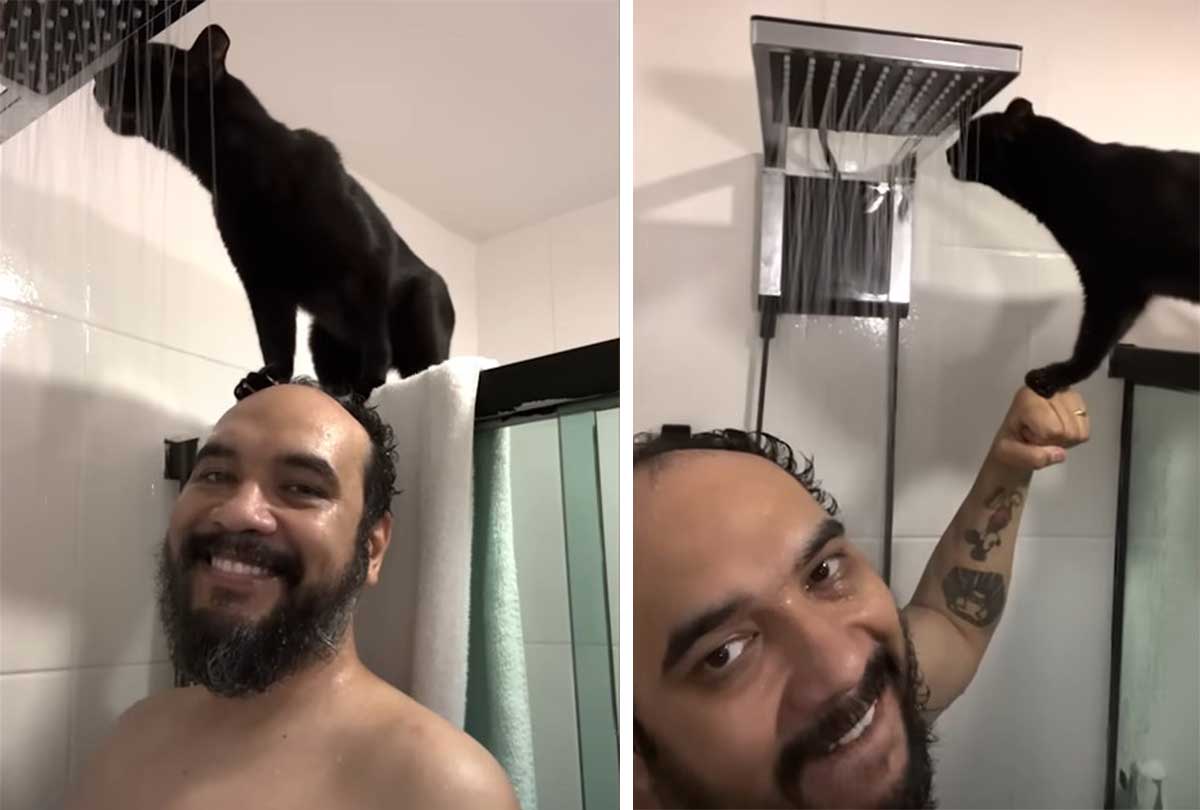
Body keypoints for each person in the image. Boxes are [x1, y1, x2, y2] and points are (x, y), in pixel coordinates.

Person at [632, 385, 1091, 809]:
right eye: (724, 654)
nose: (844, 667)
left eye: (822, 572)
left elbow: (953, 621)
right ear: (638, 772)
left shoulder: (859, 715)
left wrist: (1010, 466)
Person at [67, 381, 519, 809]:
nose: (238, 511)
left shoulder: (445, 789)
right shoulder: (131, 740)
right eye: (216, 474)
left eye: (302, 488)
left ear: (373, 547)